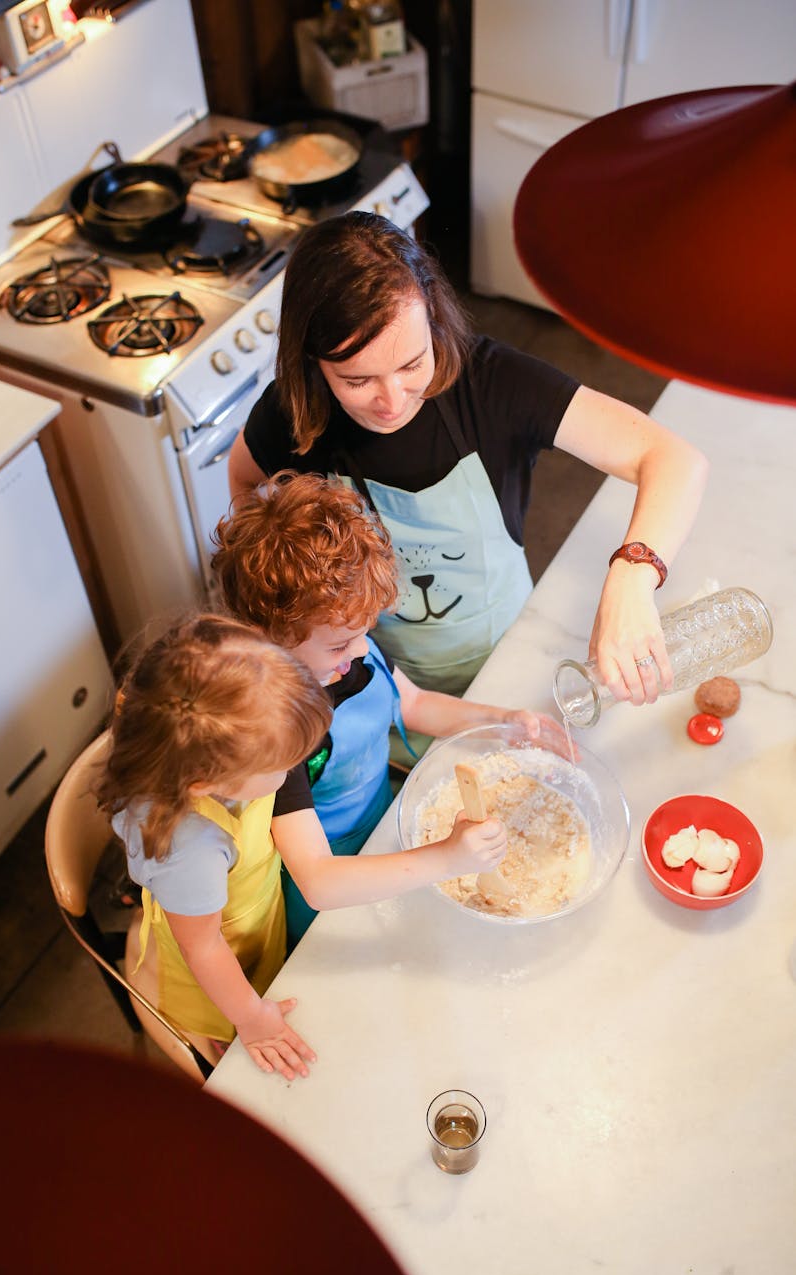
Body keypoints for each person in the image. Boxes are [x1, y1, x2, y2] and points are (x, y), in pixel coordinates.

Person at [228, 211, 709, 702]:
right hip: (378, 682)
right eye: (357, 381)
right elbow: (243, 476)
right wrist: (282, 606)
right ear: (313, 364)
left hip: (510, 655)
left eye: (412, 363)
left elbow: (674, 460)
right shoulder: (295, 412)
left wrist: (631, 580)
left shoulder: (493, 385)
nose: (393, 401)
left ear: (432, 320)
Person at [98, 613, 508, 1079]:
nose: (293, 774)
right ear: (205, 783)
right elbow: (205, 949)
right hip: (220, 954)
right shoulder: (187, 849)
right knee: (236, 1030)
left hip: (254, 913)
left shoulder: (214, 750)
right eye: (285, 766)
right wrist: (251, 1020)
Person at [211, 471, 566, 948]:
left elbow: (414, 704)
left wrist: (501, 721)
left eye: (366, 631)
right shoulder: (278, 732)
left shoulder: (347, 655)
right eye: (340, 643)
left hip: (388, 827)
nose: (360, 650)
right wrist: (447, 859)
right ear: (269, 637)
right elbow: (318, 880)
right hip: (338, 887)